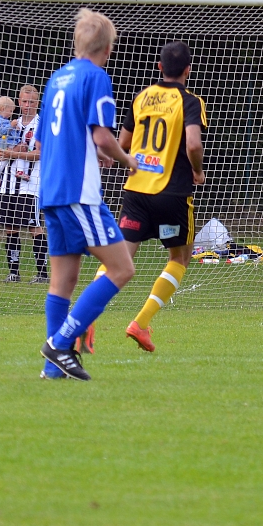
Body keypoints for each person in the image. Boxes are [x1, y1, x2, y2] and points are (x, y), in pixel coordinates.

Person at [38, 8, 138, 381]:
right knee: (122, 267)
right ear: (108, 48)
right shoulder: (96, 76)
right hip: (79, 193)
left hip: (50, 189)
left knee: (62, 280)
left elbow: (53, 138)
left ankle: (52, 371)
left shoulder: (56, 79)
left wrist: (98, 156)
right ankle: (62, 342)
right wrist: (125, 158)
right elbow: (101, 135)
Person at [115, 40, 207, 353]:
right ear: (187, 70)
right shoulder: (190, 101)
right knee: (179, 258)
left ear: (159, 68)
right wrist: (198, 171)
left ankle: (84, 319)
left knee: (119, 260)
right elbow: (193, 144)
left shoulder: (141, 97)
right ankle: (141, 323)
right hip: (172, 194)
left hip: (136, 192)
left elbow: (123, 142)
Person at [0, 85, 49, 283]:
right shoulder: (8, 123)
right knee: (10, 227)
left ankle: (42, 273)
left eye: (31, 102)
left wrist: (13, 154)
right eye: (24, 102)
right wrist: (0, 153)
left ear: (37, 103)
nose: (27, 106)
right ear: (19, 102)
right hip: (6, 184)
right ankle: (14, 273)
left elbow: (41, 153)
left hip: (30, 185)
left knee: (34, 226)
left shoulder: (41, 124)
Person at [0, 96, 20, 188]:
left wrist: (15, 128)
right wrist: (12, 125)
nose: (11, 114)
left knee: (5, 161)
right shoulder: (0, 121)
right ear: (3, 109)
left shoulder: (0, 120)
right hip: (7, 143)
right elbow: (3, 131)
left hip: (6, 142)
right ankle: (20, 171)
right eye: (10, 111)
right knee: (20, 152)